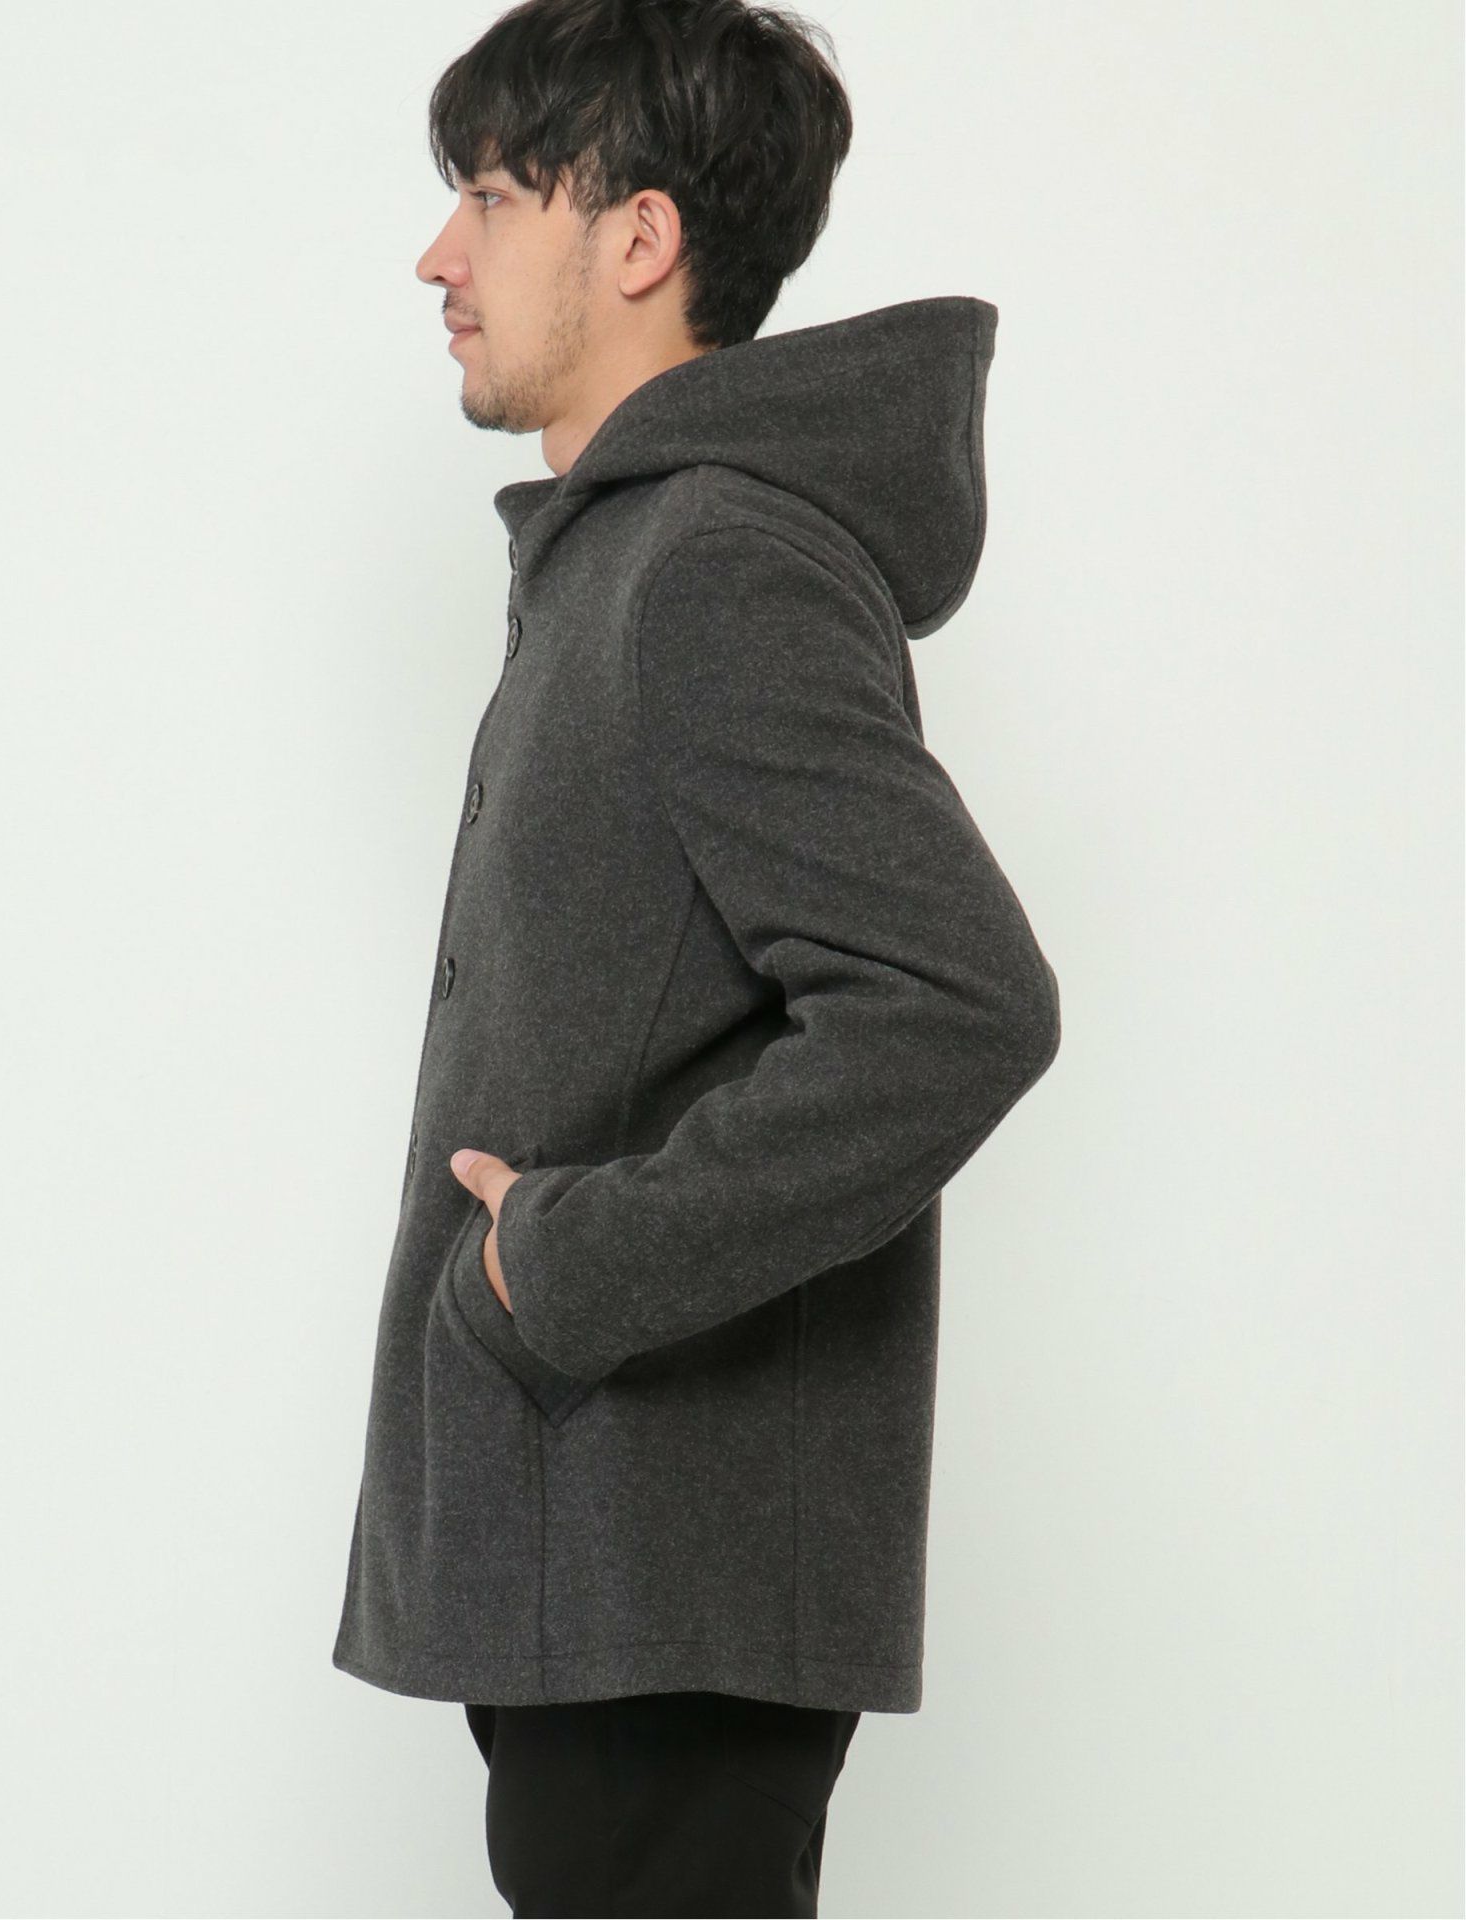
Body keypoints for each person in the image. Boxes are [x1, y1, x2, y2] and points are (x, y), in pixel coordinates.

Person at [333, 2, 1062, 1913]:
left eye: (492, 198)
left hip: (667, 1566)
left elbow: (959, 1006)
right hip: (617, 1566)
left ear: (639, 237)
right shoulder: (632, 560)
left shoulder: (714, 567)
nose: (438, 254)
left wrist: (560, 1265)